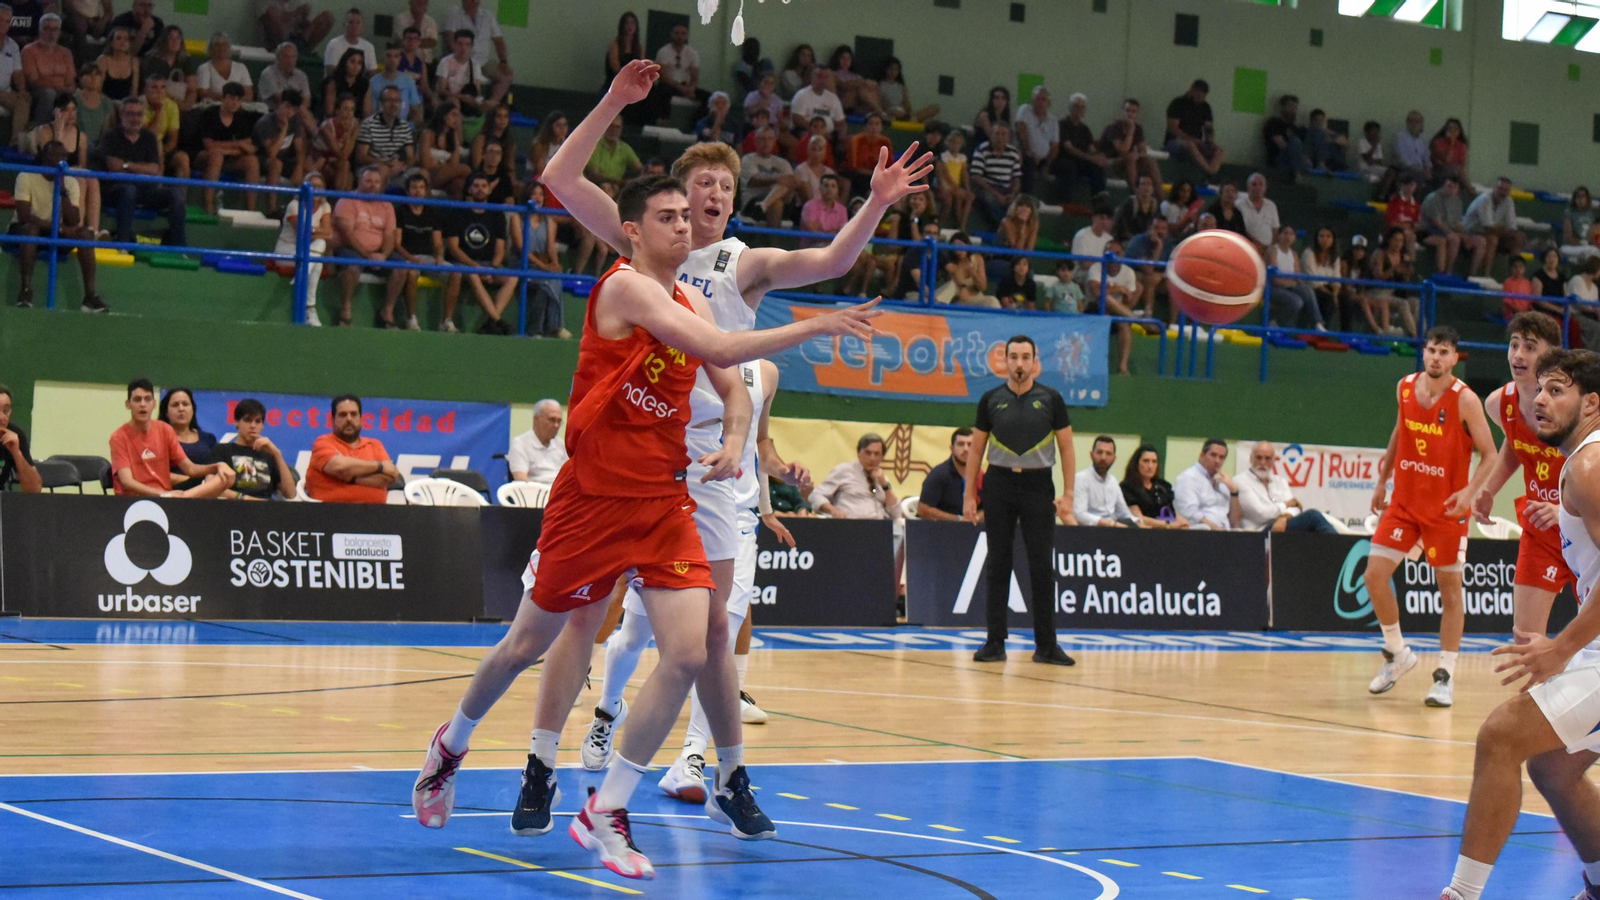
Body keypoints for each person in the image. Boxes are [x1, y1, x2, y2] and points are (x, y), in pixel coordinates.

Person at [409, 171, 881, 878]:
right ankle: (452, 745)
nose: (684, 227)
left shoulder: (693, 296)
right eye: (668, 217)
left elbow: (731, 382)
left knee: (692, 650)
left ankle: (607, 808)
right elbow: (719, 350)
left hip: (664, 503)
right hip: (594, 501)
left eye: (686, 218)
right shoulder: (626, 287)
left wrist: (734, 437)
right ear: (635, 229)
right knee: (523, 645)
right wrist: (815, 326)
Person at [503, 57, 926, 836]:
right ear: (677, 200)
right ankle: (540, 766)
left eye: (728, 188)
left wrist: (870, 205)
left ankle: (727, 770)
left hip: (703, 468)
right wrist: (615, 100)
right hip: (624, 454)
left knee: (714, 636)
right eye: (705, 186)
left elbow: (831, 264)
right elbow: (560, 178)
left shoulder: (742, 265)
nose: (717, 197)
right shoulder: (640, 247)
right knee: (579, 621)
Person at [581, 358, 798, 793]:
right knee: (634, 634)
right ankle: (608, 711)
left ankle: (691, 756)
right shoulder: (683, 347)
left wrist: (778, 480)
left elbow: (761, 446)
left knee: (719, 637)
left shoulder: (766, 372)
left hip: (735, 520)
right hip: (677, 506)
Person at [1435, 347, 1600, 900]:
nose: (1541, 400)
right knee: (1553, 769)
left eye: (1557, 390)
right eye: (1541, 389)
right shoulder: (1583, 465)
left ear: (1592, 402)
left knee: (1501, 736)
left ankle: (1459, 894)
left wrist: (1562, 647)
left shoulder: (1586, 468)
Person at [1364, 326, 1499, 707]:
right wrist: (1382, 479)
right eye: (1431, 350)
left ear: (1455, 358)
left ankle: (1445, 675)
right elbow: (1398, 431)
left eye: (1444, 352)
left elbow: (1490, 453)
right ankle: (1398, 654)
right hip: (1405, 503)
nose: (1436, 357)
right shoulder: (1405, 386)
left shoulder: (1465, 399)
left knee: (1450, 592)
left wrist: (1470, 493)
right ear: (1423, 353)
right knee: (1374, 576)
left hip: (1446, 509)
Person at [963, 335, 1076, 665]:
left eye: (1026, 357)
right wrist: (969, 494)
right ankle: (995, 642)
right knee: (998, 563)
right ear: (1005, 361)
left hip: (1038, 486)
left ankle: (1046, 645)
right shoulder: (990, 399)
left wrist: (1069, 493)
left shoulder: (1052, 399)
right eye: (1014, 357)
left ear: (1035, 362)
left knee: (1042, 566)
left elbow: (1067, 448)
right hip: (998, 483)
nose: (1019, 364)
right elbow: (977, 451)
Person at [1473, 313, 1572, 637]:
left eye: (1529, 347)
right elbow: (1516, 446)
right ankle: (1532, 691)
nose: (1518, 354)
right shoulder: (1498, 403)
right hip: (1541, 531)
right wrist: (1490, 489)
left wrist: (1568, 511)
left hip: (1588, 530)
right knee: (1524, 637)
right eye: (1514, 345)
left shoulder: (1578, 404)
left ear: (1552, 354)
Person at [9, 140, 101, 311]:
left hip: (54, 232)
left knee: (85, 234)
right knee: (31, 229)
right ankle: (25, 292)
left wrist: (62, 188)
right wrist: (57, 229)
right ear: (45, 157)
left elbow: (73, 220)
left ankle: (90, 296)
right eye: (57, 155)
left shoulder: (70, 182)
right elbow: (24, 216)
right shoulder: (26, 176)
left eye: (64, 156)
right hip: (25, 230)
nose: (62, 160)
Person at [110, 379, 234, 499]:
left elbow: (190, 468)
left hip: (168, 497)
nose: (143, 404)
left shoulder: (165, 429)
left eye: (147, 399)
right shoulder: (119, 437)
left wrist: (218, 466)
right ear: (128, 404)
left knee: (226, 477)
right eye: (137, 400)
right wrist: (162, 494)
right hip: (135, 501)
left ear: (153, 404)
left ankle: (185, 498)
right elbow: (127, 482)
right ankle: (185, 500)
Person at [99, 95, 184, 247]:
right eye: (130, 114)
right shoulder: (111, 136)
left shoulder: (149, 138)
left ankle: (180, 248)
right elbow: (113, 166)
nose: (135, 119)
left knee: (175, 194)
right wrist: (140, 168)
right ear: (122, 115)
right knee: (129, 190)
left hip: (145, 191)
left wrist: (126, 165)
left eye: (139, 114)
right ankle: (123, 244)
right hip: (115, 190)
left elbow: (154, 169)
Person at [443, 171, 517, 335]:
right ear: (469, 189)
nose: (480, 189)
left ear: (489, 190)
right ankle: (498, 321)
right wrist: (476, 266)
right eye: (476, 186)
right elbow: (454, 248)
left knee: (513, 277)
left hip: (488, 264)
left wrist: (493, 267)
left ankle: (491, 321)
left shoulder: (496, 215)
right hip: (465, 264)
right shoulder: (458, 212)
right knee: (473, 274)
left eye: (484, 186)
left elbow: (500, 248)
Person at [332, 165, 398, 327]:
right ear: (360, 181)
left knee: (401, 267)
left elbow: (390, 235)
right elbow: (347, 235)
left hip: (378, 253)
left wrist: (383, 255)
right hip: (350, 249)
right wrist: (367, 256)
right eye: (368, 181)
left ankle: (387, 311)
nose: (373, 185)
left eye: (377, 182)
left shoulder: (386, 205)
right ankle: (345, 310)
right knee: (353, 267)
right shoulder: (347, 200)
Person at [306, 394, 398, 503]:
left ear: (361, 419)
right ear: (333, 419)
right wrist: (379, 466)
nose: (349, 419)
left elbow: (390, 476)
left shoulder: (375, 445)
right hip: (330, 513)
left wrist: (352, 478)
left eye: (353, 414)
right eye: (343, 415)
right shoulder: (322, 443)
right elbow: (340, 467)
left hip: (375, 515)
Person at [275, 168, 333, 326]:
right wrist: (316, 231)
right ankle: (310, 309)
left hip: (308, 253)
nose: (316, 189)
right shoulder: (294, 205)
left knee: (320, 247)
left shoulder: (325, 206)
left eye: (319, 186)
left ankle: (302, 277)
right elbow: (302, 234)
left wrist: (313, 231)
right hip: (288, 250)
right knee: (317, 257)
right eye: (312, 185)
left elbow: (329, 234)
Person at [1237, 441, 1337, 532]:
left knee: (1318, 526)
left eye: (1267, 458)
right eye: (1259, 457)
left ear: (1273, 461)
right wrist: (1285, 505)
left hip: (1283, 526)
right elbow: (1260, 514)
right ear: (1251, 458)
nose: (1263, 463)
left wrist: (1284, 517)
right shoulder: (1241, 481)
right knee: (1312, 516)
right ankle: (1342, 550)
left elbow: (1295, 507)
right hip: (1258, 531)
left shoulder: (1280, 482)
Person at [386, 172, 442, 330]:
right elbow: (397, 244)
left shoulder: (433, 213)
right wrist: (412, 259)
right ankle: (411, 318)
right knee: (411, 272)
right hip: (408, 257)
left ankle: (447, 321)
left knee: (455, 273)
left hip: (428, 258)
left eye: (421, 188)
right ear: (407, 191)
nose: (418, 191)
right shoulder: (400, 211)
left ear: (426, 191)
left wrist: (438, 257)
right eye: (414, 188)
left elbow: (438, 242)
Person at [196, 82, 260, 214]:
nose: (235, 102)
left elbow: (250, 148)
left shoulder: (243, 118)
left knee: (252, 161)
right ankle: (208, 205)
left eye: (238, 100)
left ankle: (251, 210)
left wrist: (227, 150)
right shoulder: (210, 114)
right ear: (223, 98)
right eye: (231, 98)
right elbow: (209, 145)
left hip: (230, 159)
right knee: (216, 155)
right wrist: (238, 144)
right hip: (203, 157)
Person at [516, 182, 569, 338]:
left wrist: (555, 264)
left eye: (540, 194)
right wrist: (545, 267)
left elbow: (551, 247)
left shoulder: (549, 220)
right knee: (546, 281)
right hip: (523, 264)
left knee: (555, 279)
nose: (538, 198)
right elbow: (522, 250)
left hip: (542, 264)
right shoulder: (517, 217)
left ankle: (552, 327)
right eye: (534, 194)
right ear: (527, 196)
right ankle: (538, 329)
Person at [812, 433, 903, 520]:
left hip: (878, 528)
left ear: (882, 457)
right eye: (868, 453)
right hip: (850, 526)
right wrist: (833, 510)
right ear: (859, 452)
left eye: (876, 454)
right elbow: (816, 495)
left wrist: (885, 485)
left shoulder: (882, 479)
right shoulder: (844, 471)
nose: (872, 458)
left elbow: (896, 514)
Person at [1086, 239, 1143, 375]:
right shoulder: (1096, 268)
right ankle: (1140, 321)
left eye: (1117, 253)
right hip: (1094, 310)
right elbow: (1097, 292)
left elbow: (1127, 303)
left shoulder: (1128, 272)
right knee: (1105, 298)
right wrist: (1118, 289)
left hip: (1116, 312)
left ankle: (1123, 367)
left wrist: (1111, 292)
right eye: (1110, 253)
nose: (1113, 257)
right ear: (1104, 254)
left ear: (1122, 254)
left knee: (1123, 322)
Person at [441, 0, 513, 106]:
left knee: (506, 77)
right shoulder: (454, 13)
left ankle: (491, 104)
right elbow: (450, 38)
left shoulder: (488, 16)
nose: (474, 1)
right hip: (462, 61)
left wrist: (503, 61)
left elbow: (499, 41)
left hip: (484, 62)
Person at [1463, 177, 1526, 277]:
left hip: (1489, 233)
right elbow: (1488, 229)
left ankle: (1514, 279)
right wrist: (1510, 233)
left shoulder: (1508, 201)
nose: (1503, 192)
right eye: (1500, 189)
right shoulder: (1485, 199)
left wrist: (1516, 235)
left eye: (1506, 190)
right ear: (1494, 188)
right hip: (1471, 233)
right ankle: (1480, 275)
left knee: (1516, 240)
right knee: (1493, 239)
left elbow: (1512, 227)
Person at [355, 85, 416, 188]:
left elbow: (411, 157)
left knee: (423, 175)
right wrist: (386, 163)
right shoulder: (369, 124)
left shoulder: (404, 126)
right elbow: (361, 156)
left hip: (397, 168)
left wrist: (403, 167)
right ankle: (376, 204)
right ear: (381, 103)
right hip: (372, 168)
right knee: (383, 171)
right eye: (389, 100)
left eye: (397, 101)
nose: (393, 104)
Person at [1173, 439, 1241, 531]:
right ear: (1202, 455)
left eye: (1221, 457)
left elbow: (1235, 523)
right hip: (1201, 532)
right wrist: (1217, 530)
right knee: (1205, 528)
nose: (1217, 461)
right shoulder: (1188, 478)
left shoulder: (1223, 481)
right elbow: (1190, 514)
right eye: (1213, 455)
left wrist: (1234, 492)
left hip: (1223, 532)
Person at [1268, 224, 1325, 331]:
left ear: (1294, 238)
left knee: (1307, 291)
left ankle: (1317, 322)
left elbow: (1297, 276)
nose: (1288, 236)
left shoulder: (1293, 254)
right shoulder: (1273, 251)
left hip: (1289, 287)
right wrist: (1291, 282)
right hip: (1272, 288)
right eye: (1285, 233)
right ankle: (1274, 320)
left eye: (1291, 234)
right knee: (1296, 302)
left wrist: (1291, 282)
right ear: (1279, 236)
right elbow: (1275, 279)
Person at [1098, 98, 1161, 192]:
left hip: (1126, 164)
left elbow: (1142, 149)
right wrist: (1131, 131)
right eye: (1127, 110)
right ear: (1122, 111)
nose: (1130, 114)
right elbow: (1123, 151)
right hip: (1108, 163)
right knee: (1130, 158)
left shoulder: (1138, 129)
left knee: (1150, 161)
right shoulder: (1114, 128)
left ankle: (1162, 199)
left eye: (1133, 112)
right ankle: (1135, 193)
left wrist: (1141, 153)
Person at [1420, 176, 1478, 276]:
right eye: (1449, 186)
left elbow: (1457, 223)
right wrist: (1452, 233)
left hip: (1447, 230)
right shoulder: (1433, 198)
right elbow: (1437, 223)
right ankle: (1446, 272)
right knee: (1454, 238)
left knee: (1475, 240)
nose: (1451, 189)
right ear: (1444, 185)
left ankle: (1473, 274)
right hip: (1429, 230)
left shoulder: (1457, 201)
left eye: (1454, 187)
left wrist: (1464, 235)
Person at [1074, 435, 1137, 527]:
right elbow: (1079, 514)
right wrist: (1110, 524)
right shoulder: (1081, 478)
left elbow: (1124, 513)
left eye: (1108, 454)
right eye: (1099, 452)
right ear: (1092, 455)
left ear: (1114, 458)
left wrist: (1139, 523)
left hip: (1112, 531)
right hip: (1090, 532)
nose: (1103, 458)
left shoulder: (1113, 481)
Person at [1054, 92, 1108, 199]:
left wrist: (1099, 157)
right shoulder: (1061, 125)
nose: (1079, 109)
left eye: (1082, 107)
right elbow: (1069, 149)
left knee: (1097, 168)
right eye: (1076, 106)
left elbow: (1091, 148)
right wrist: (1091, 158)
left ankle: (1099, 199)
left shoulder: (1085, 129)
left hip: (1080, 162)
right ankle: (1065, 201)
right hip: (1063, 160)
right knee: (1069, 167)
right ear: (1070, 108)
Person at [1121, 443, 1188, 528]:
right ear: (1137, 463)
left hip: (1170, 531)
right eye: (1146, 461)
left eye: (1154, 462)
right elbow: (1138, 518)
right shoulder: (1127, 487)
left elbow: (1173, 512)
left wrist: (1182, 523)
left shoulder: (1163, 486)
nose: (1150, 466)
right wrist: (1168, 525)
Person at [21, 13, 72, 125]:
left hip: (62, 91)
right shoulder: (29, 50)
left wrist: (64, 88)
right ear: (40, 31)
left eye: (55, 29)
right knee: (49, 94)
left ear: (59, 32)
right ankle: (40, 129)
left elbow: (70, 81)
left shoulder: (66, 53)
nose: (51, 33)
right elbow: (33, 81)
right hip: (38, 93)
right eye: (47, 29)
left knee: (78, 94)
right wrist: (58, 85)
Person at [918, 427, 975, 521]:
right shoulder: (939, 474)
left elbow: (988, 508)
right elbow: (923, 510)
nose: (966, 449)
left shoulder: (980, 476)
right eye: (961, 444)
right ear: (951, 448)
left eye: (970, 445)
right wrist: (958, 520)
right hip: (941, 530)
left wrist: (976, 518)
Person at [971, 120, 1021, 225]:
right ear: (991, 135)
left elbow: (1016, 177)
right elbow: (976, 176)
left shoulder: (1013, 153)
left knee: (1022, 202)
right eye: (997, 133)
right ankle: (999, 226)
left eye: (1004, 134)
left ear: (1008, 137)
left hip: (1006, 188)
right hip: (986, 187)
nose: (1000, 137)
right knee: (990, 199)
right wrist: (997, 194)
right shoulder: (982, 149)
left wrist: (1013, 193)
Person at [507, 399, 567, 484]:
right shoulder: (520, 443)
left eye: (559, 421)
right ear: (536, 419)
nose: (556, 425)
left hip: (559, 492)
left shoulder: (561, 444)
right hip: (535, 493)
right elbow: (520, 478)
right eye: (552, 420)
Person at [419, 101, 469, 198]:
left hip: (445, 176)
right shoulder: (427, 134)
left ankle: (456, 211)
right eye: (453, 115)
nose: (457, 119)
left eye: (458, 116)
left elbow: (454, 163)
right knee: (466, 169)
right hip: (429, 174)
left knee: (459, 184)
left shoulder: (453, 135)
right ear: (443, 115)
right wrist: (445, 165)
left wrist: (437, 163)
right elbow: (426, 164)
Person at [433, 28, 487, 117]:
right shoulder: (445, 62)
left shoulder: (475, 65)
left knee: (488, 105)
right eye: (460, 44)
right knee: (454, 102)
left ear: (471, 47)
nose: (463, 48)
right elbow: (441, 89)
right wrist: (461, 96)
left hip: (467, 98)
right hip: (448, 97)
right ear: (454, 44)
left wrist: (477, 100)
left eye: (467, 44)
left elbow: (477, 89)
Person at [1014, 85, 1057, 194]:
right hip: (1025, 154)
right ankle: (1026, 201)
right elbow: (1021, 132)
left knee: (1066, 168)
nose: (1040, 102)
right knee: (1029, 166)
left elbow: (1055, 144)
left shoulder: (1052, 120)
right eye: (1038, 99)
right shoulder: (1025, 110)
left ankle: (1064, 203)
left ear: (1049, 103)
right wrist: (1028, 151)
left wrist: (1048, 164)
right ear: (1032, 100)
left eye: (1044, 99)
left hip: (1044, 159)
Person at [313, 93, 360, 192]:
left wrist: (348, 132)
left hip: (335, 161)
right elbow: (342, 155)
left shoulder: (355, 125)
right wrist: (348, 133)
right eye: (345, 109)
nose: (349, 113)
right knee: (345, 166)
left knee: (349, 176)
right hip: (319, 160)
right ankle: (338, 201)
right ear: (337, 110)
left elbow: (346, 155)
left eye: (352, 109)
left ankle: (341, 204)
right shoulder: (327, 127)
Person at [1163, 79, 1213, 171]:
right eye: (1198, 96)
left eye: (1202, 97)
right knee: (1190, 145)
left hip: (1196, 142)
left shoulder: (1205, 107)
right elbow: (1173, 128)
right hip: (1175, 142)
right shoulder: (1177, 103)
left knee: (1218, 150)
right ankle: (1208, 171)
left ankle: (1213, 171)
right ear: (1192, 90)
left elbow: (1208, 129)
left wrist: (1209, 143)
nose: (1199, 99)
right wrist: (1191, 140)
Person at [143, 25, 194, 113]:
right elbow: (151, 87)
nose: (175, 41)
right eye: (171, 38)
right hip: (156, 100)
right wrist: (176, 103)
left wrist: (187, 105)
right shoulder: (152, 59)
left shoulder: (186, 59)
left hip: (181, 103)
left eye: (178, 38)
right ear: (163, 40)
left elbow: (192, 89)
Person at [0, 384, 41, 493]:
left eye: (6, 411)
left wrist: (16, 453)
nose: (2, 417)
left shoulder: (14, 436)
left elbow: (34, 490)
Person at [367, 46, 423, 124]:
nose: (392, 60)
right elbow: (369, 112)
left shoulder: (409, 82)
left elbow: (417, 114)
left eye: (396, 56)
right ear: (383, 58)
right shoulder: (373, 82)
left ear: (400, 58)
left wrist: (407, 127)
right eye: (389, 56)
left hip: (403, 128)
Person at [194, 32, 253, 104]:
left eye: (225, 44)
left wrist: (234, 103)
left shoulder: (241, 67)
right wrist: (229, 100)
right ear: (210, 49)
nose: (222, 47)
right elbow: (203, 93)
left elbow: (249, 95)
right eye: (217, 45)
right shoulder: (204, 68)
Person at [877, 57, 936, 123]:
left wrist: (909, 112)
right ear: (885, 69)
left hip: (902, 113)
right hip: (889, 113)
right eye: (890, 69)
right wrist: (890, 111)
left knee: (935, 108)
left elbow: (906, 103)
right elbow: (878, 104)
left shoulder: (901, 87)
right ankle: (912, 121)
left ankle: (912, 120)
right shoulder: (880, 85)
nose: (893, 72)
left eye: (896, 69)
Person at [935, 128, 973, 230]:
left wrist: (967, 188)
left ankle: (962, 224)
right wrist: (956, 187)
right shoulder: (944, 156)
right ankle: (942, 224)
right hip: (947, 185)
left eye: (958, 143)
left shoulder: (962, 158)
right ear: (948, 142)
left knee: (968, 198)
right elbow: (946, 174)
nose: (955, 145)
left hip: (955, 186)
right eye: (953, 142)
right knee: (956, 197)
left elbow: (964, 174)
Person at [258, 0, 332, 51]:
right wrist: (297, 12)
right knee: (273, 13)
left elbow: (300, 25)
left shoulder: (295, 1)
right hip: (275, 42)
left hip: (297, 39)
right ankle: (284, 49)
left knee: (327, 18)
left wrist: (305, 18)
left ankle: (304, 51)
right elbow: (270, 18)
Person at [1263, 94, 1306, 176]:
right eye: (1290, 106)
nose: (1292, 110)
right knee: (1296, 142)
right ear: (1282, 107)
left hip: (1293, 160)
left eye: (1295, 108)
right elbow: (1282, 145)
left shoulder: (1294, 128)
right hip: (1278, 159)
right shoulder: (1273, 123)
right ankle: (1298, 174)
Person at [258, 41, 311, 108]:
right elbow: (279, 99)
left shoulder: (301, 75)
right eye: (286, 57)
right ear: (278, 57)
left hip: (296, 112)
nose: (290, 61)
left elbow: (306, 100)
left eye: (293, 57)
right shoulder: (268, 73)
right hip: (272, 113)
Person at [93, 25, 137, 102]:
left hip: (126, 105)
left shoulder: (134, 61)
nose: (122, 42)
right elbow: (97, 89)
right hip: (105, 102)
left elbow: (134, 91)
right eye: (118, 38)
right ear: (111, 42)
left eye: (126, 39)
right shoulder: (103, 60)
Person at [605, 11, 642, 93]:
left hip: (634, 83)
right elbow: (616, 68)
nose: (630, 26)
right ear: (622, 26)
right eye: (627, 23)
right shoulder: (615, 45)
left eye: (632, 23)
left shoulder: (639, 48)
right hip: (616, 82)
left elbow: (641, 68)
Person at [1431, 117, 1469, 185]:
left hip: (1456, 172)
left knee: (1457, 169)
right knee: (1455, 168)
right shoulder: (1438, 142)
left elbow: (1462, 165)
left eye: (1455, 129)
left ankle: (1469, 190)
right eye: (1450, 129)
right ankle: (1471, 190)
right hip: (1440, 171)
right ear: (1446, 130)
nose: (1453, 131)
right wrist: (1451, 143)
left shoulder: (1461, 146)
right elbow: (1447, 160)